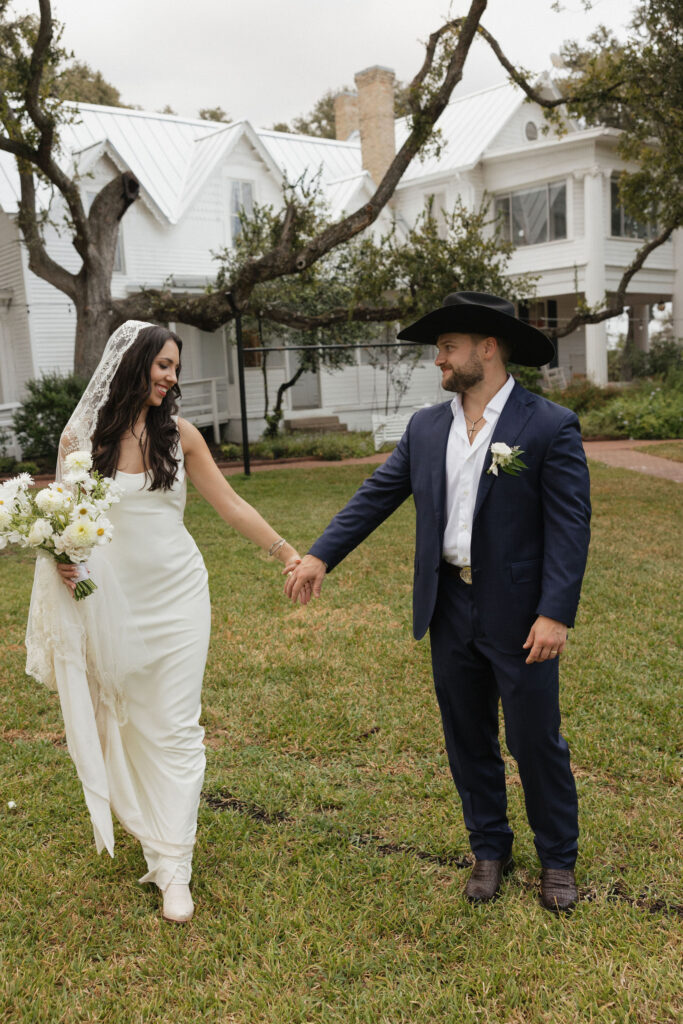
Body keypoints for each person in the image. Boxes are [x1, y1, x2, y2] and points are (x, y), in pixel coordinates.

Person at [285, 292, 591, 913]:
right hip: (448, 603)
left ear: (487, 348)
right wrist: (320, 554)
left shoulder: (548, 425)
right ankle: (489, 849)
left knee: (535, 740)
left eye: (447, 349)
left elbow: (569, 527)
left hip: (521, 610)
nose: (438, 362)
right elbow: (377, 493)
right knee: (466, 734)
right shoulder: (427, 428)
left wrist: (555, 612)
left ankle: (557, 857)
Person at [25, 320, 305, 923]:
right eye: (163, 366)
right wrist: (63, 560)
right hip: (111, 601)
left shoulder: (180, 435)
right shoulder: (82, 439)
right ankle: (152, 837)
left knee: (178, 725)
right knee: (128, 721)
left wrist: (286, 552)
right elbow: (59, 524)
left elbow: (229, 503)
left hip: (179, 595)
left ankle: (175, 865)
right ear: (134, 365)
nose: (171, 377)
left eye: (175, 368)